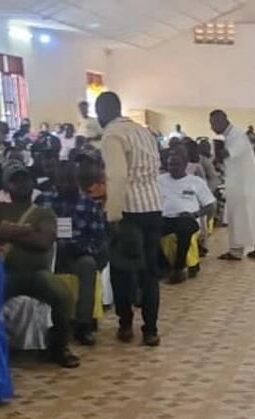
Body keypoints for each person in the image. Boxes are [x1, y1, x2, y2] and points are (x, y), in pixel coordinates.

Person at [0, 162, 80, 367]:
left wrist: (5, 230)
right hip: (4, 272)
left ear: (33, 183)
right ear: (6, 186)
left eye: (25, 179)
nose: (21, 184)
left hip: (37, 273)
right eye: (14, 180)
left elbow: (43, 242)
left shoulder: (44, 212)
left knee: (64, 296)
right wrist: (25, 229)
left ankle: (59, 348)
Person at [97, 91, 165, 346]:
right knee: (150, 273)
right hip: (153, 206)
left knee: (122, 270)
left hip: (129, 211)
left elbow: (117, 176)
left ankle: (125, 325)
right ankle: (151, 330)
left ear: (103, 111)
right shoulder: (143, 132)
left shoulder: (112, 135)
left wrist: (113, 215)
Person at [35, 162, 108, 346]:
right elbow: (31, 230)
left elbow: (99, 239)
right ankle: (45, 323)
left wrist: (83, 249)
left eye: (70, 181)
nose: (66, 185)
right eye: (62, 181)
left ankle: (84, 325)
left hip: (76, 254)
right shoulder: (43, 201)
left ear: (77, 181)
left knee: (88, 265)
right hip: (47, 252)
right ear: (55, 181)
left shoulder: (89, 204)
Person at [209, 109, 255, 261]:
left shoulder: (236, 135)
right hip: (244, 183)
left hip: (243, 185)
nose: (212, 127)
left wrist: (215, 154)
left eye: (213, 124)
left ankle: (236, 251)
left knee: (238, 216)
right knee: (252, 216)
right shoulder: (233, 134)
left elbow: (228, 153)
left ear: (222, 120)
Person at [158, 148, 216, 284]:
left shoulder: (196, 182)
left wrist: (195, 214)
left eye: (176, 164)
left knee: (185, 229)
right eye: (170, 165)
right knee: (148, 231)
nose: (173, 168)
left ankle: (178, 268)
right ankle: (164, 267)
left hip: (188, 218)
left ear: (185, 165)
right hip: (164, 218)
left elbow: (210, 206)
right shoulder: (159, 180)